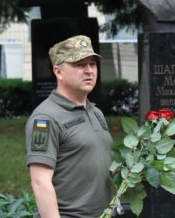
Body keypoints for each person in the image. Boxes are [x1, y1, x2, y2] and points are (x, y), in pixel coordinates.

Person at [25, 35, 113, 218]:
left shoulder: (95, 112)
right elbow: (40, 183)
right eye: (80, 65)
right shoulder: (45, 119)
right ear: (58, 72)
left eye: (93, 64)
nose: (89, 71)